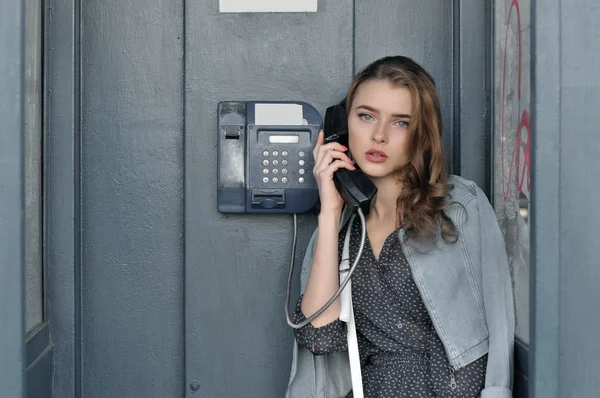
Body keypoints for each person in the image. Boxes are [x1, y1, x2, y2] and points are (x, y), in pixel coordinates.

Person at [285, 56, 514, 398]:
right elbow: (320, 336)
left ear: (421, 133)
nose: (378, 135)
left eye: (401, 123)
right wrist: (331, 212)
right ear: (342, 125)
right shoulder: (341, 233)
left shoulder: (460, 208)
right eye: (366, 116)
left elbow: (500, 320)